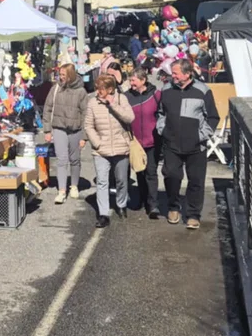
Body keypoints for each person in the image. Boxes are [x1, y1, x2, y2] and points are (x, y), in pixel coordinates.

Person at [157, 59, 220, 229]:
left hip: (196, 146)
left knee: (196, 181)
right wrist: (162, 130)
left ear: (187, 74)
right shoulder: (167, 89)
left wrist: (200, 136)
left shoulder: (203, 91)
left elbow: (213, 117)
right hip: (171, 144)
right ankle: (173, 207)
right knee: (171, 175)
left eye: (176, 73)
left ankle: (193, 214)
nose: (172, 76)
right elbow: (161, 113)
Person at [83, 73, 134, 227]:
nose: (98, 91)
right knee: (102, 182)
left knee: (121, 180)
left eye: (102, 89)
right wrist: (97, 142)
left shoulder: (121, 99)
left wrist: (113, 104)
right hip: (101, 150)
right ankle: (103, 214)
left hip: (120, 146)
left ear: (111, 89)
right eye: (97, 88)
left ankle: (121, 204)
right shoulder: (93, 103)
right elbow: (88, 125)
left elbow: (130, 118)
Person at [42, 62, 89, 205]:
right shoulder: (55, 89)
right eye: (59, 74)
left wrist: (84, 136)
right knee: (62, 160)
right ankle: (61, 190)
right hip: (59, 128)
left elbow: (86, 114)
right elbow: (47, 108)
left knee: (75, 159)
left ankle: (74, 185)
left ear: (70, 76)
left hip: (75, 129)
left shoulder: (81, 92)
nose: (60, 77)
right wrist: (47, 130)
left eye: (63, 75)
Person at [126, 68, 163, 219]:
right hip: (135, 142)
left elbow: (163, 114)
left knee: (151, 172)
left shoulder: (156, 95)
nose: (131, 83)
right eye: (130, 80)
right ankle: (141, 199)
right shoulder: (126, 96)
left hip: (152, 140)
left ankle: (153, 205)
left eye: (133, 80)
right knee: (139, 171)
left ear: (143, 80)